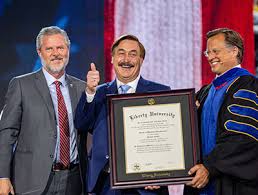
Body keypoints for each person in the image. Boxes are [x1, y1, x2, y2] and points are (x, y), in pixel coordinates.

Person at [75, 34, 170, 195]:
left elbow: (169, 139)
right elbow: (82, 124)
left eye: (133, 54)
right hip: (105, 184)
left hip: (146, 185)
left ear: (141, 60)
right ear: (112, 58)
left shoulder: (160, 92)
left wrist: (161, 175)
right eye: (121, 53)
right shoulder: (98, 93)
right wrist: (90, 92)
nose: (126, 59)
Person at [0, 26, 87, 195]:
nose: (56, 53)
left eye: (60, 48)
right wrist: (3, 177)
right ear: (40, 52)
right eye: (49, 49)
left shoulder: (82, 88)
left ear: (68, 50)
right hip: (32, 181)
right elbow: (6, 134)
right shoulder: (21, 85)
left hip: (74, 180)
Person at [184, 28, 258, 195]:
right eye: (207, 52)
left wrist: (210, 167)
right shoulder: (204, 92)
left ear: (234, 51)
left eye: (215, 51)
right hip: (200, 182)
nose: (210, 57)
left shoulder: (247, 86)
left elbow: (242, 138)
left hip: (231, 185)